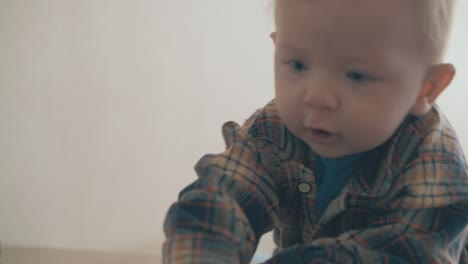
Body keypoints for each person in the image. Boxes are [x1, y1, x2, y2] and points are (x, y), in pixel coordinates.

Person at [163, 0, 468, 263]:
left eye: (357, 75)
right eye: (297, 64)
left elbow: (407, 254)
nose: (317, 97)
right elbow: (221, 199)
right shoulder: (273, 129)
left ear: (426, 88)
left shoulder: (432, 158)